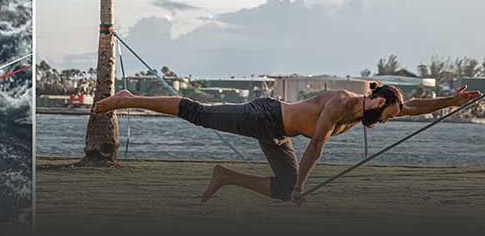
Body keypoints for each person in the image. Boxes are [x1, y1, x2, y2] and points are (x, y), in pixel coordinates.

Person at [92, 83, 482, 206]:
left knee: (281, 190)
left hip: (279, 134)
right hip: (264, 116)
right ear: (378, 102)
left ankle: (224, 176)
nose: (389, 120)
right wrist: (302, 186)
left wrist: (451, 101)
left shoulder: (371, 110)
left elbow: (414, 107)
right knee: (198, 113)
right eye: (388, 114)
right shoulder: (341, 104)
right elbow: (315, 148)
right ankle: (127, 99)